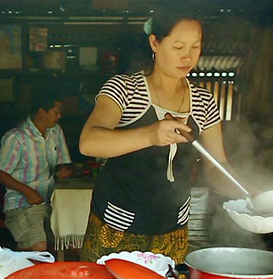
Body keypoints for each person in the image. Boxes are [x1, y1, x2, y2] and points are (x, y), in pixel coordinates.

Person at [78, 7, 247, 265]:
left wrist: (248, 194)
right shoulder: (124, 89)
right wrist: (150, 134)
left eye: (195, 47)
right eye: (178, 47)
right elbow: (89, 142)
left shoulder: (203, 102)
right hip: (116, 227)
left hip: (173, 229)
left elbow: (217, 166)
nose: (187, 56)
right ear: (154, 43)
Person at [0, 90, 73, 251]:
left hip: (50, 202)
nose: (60, 116)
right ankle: (28, 273)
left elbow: (64, 164)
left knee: (72, 241)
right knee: (38, 245)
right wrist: (27, 191)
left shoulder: (55, 132)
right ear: (42, 111)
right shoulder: (17, 138)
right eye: (56, 111)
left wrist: (61, 171)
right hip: (21, 206)